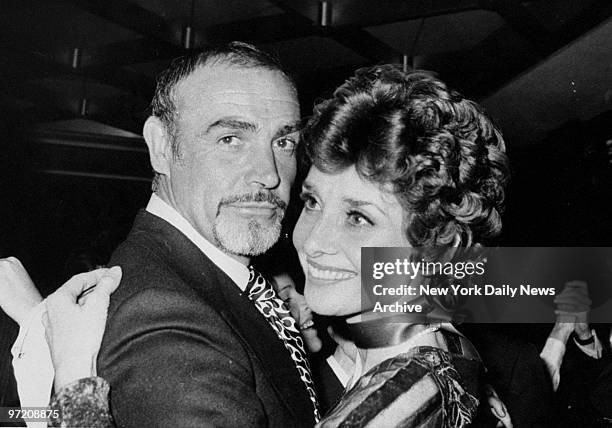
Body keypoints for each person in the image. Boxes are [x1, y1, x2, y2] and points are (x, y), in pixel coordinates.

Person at [1, 65, 518, 427]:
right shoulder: (410, 343)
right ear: (160, 145)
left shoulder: (408, 379)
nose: (311, 241)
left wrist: (71, 385)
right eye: (312, 203)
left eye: (358, 218)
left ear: (434, 247)